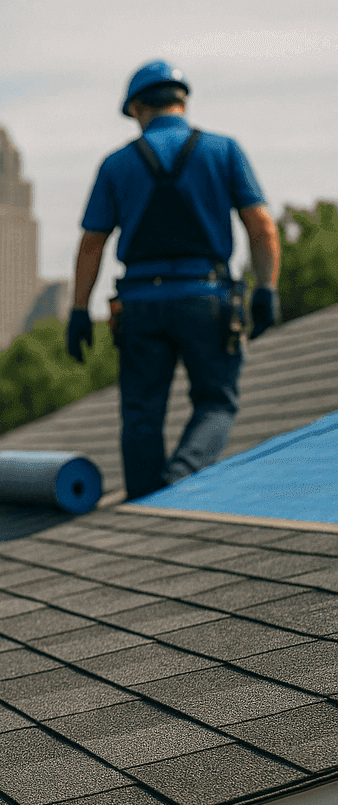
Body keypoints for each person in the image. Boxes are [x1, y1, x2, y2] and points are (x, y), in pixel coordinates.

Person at [68, 60, 281, 500]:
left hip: (140, 304)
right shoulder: (223, 151)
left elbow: (92, 244)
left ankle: (146, 500)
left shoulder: (116, 164)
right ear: (182, 101)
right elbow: (261, 225)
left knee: (141, 413)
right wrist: (267, 289)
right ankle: (181, 479)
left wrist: (78, 311)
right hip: (208, 296)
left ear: (139, 107)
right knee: (217, 402)